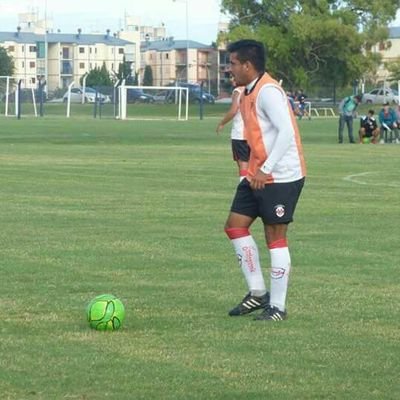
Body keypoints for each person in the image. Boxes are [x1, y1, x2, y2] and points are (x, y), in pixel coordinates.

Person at [224, 39, 306, 322]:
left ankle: (278, 307)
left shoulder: (268, 91)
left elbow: (286, 133)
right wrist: (252, 171)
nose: (229, 68)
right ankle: (258, 292)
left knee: (275, 237)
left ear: (248, 65)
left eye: (233, 63)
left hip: (281, 175)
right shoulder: (247, 90)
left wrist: (265, 169)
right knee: (235, 227)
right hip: (257, 174)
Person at [216, 77, 250, 181]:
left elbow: (233, 110)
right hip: (252, 133)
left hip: (240, 134)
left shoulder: (238, 91)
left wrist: (222, 123)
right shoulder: (252, 90)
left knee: (243, 163)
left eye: (234, 77)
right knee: (251, 164)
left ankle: (244, 187)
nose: (232, 80)